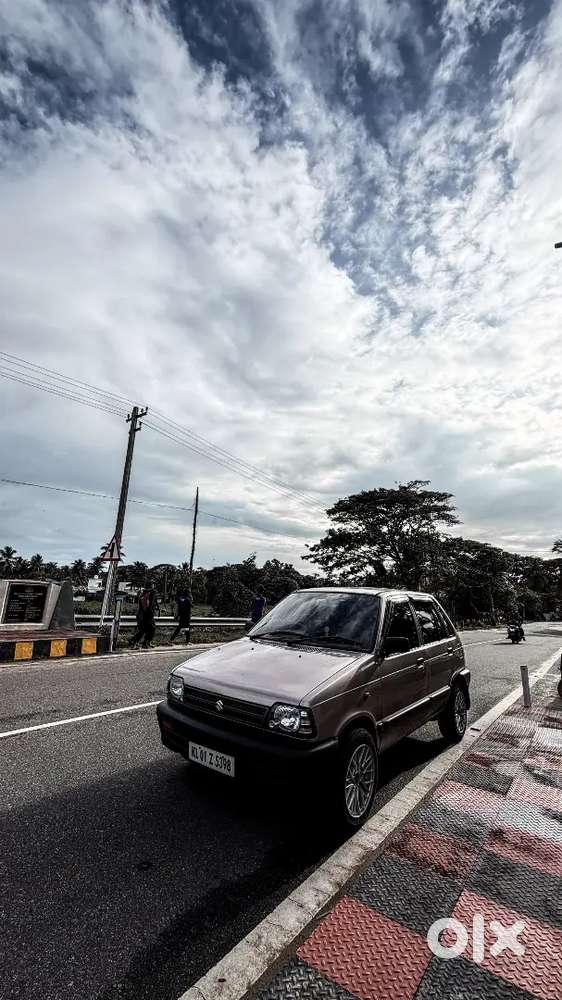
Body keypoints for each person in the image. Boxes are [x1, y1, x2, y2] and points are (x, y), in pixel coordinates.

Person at [129, 581, 159, 649]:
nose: (154, 585)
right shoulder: (152, 592)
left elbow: (142, 603)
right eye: (153, 584)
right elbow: (150, 604)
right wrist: (152, 613)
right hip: (148, 614)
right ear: (151, 585)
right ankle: (136, 642)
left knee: (146, 629)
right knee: (149, 629)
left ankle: (144, 643)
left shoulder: (143, 593)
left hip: (142, 614)